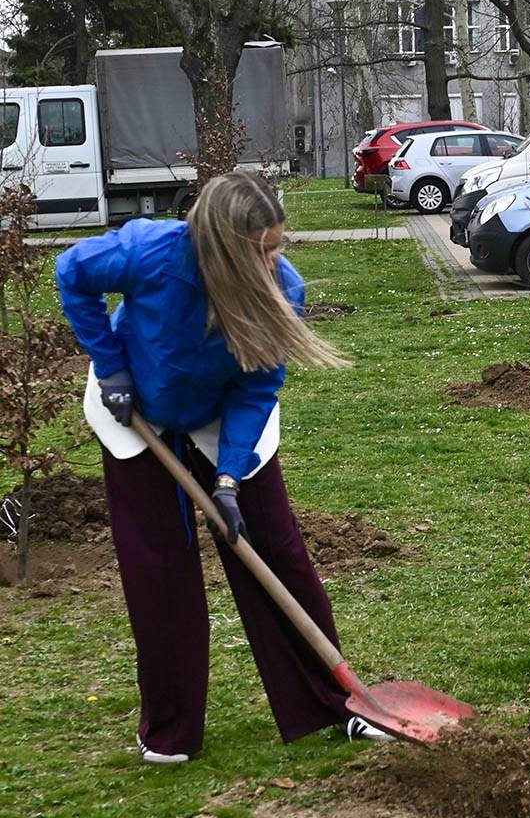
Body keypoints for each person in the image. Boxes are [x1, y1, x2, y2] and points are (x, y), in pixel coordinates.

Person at [57, 172, 390, 763]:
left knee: (276, 550)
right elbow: (72, 274)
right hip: (134, 409)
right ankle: (170, 729)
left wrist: (230, 479)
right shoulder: (150, 252)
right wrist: (110, 367)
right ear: (224, 245)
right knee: (159, 567)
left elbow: (257, 390)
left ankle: (334, 703)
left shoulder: (283, 288)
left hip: (221, 415)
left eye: (279, 245)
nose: (276, 259)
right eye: (264, 249)